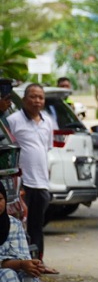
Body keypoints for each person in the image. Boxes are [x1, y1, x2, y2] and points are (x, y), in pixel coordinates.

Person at [6, 84, 52, 261]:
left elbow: (46, 148)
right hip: (22, 183)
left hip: (41, 183)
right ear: (24, 99)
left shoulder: (47, 121)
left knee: (37, 226)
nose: (37, 101)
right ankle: (20, 261)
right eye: (33, 97)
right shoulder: (13, 120)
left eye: (40, 97)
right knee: (19, 225)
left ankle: (37, 261)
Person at [0, 180, 57, 282]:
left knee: (30, 277)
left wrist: (33, 265)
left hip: (14, 269)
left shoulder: (14, 224)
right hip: (6, 274)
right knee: (9, 276)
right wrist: (20, 264)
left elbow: (23, 256)